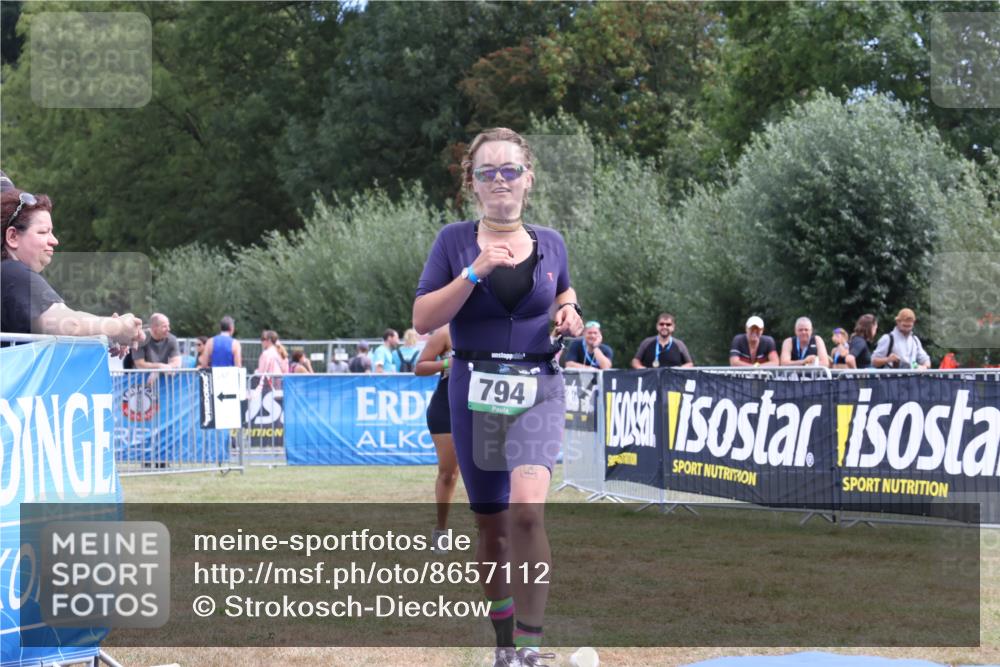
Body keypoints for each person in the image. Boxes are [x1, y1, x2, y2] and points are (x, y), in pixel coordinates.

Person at [413, 127, 582, 667]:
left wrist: (572, 313)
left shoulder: (552, 241)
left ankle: (532, 649)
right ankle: (505, 647)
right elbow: (423, 319)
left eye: (511, 169)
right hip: (474, 392)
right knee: (493, 527)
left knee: (528, 513)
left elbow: (564, 290)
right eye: (488, 172)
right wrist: (475, 270)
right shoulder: (453, 241)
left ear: (528, 179)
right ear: (474, 185)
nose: (501, 180)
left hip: (538, 388)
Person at [1, 188, 143, 350]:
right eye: (43, 232)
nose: (54, 241)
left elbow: (68, 318)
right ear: (12, 237)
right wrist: (118, 328)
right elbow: (70, 324)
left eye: (51, 232)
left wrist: (105, 332)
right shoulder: (12, 272)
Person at [414, 327, 461, 555]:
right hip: (447, 409)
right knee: (448, 474)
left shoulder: (494, 328)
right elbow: (420, 367)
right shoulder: (446, 333)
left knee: (487, 472)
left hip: (484, 410)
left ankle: (489, 529)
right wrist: (447, 364)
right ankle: (441, 530)